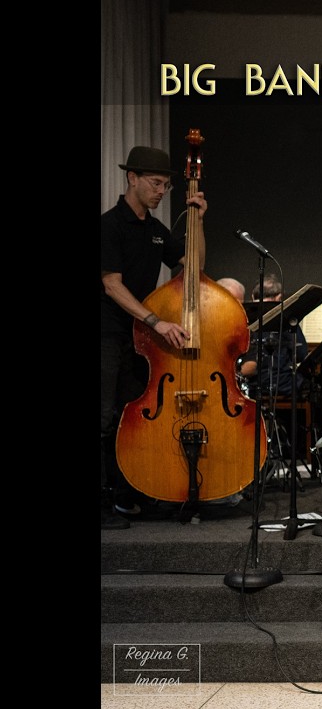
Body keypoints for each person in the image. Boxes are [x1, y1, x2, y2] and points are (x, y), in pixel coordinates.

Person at [101, 145, 208, 530]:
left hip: (138, 340)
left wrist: (197, 220)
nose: (162, 191)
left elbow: (193, 267)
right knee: (105, 417)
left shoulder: (155, 231)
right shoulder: (109, 226)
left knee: (133, 418)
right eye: (156, 183)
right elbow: (112, 285)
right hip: (108, 333)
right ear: (132, 178)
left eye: (166, 185)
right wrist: (156, 321)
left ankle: (129, 496)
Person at [239, 273, 308, 398]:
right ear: (279, 297)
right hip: (282, 385)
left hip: (251, 387)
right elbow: (301, 354)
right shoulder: (287, 319)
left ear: (253, 296)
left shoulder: (243, 317)